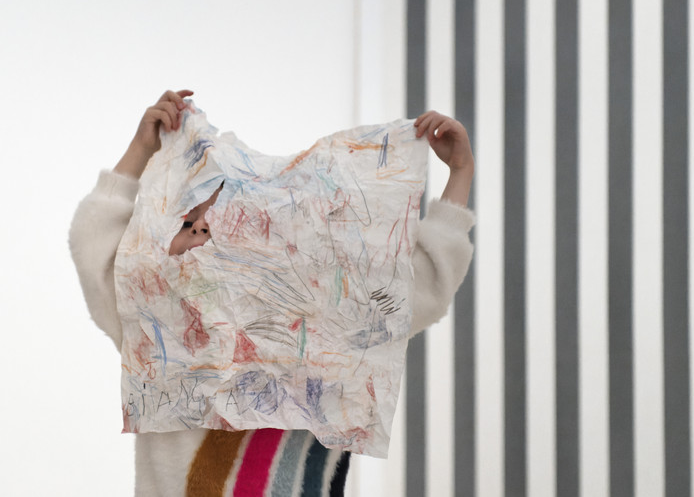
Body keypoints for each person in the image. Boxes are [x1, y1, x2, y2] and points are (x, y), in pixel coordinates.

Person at [70, 89, 475, 496]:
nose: (202, 233)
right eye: (191, 223)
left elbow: (417, 284)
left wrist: (460, 173)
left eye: (214, 226)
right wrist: (141, 149)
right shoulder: (160, 318)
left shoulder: (338, 327)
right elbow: (95, 248)